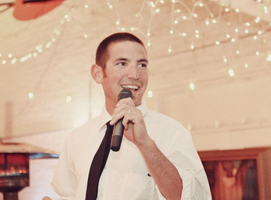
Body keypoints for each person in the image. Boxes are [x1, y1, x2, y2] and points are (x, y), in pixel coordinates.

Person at [50, 32, 212, 200]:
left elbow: (193, 197)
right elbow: (68, 195)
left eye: (142, 65)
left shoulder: (172, 133)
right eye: (122, 63)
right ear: (98, 73)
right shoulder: (76, 139)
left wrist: (146, 144)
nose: (135, 75)